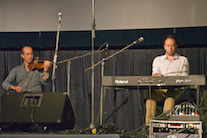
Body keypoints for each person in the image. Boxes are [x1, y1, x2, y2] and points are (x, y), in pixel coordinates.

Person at [145, 35, 189, 127]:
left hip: (176, 89)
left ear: (176, 46)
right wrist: (158, 76)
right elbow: (155, 74)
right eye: (168, 46)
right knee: (150, 96)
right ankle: (148, 126)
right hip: (161, 89)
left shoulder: (183, 60)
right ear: (164, 47)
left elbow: (184, 78)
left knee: (170, 96)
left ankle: (165, 125)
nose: (170, 48)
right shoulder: (158, 60)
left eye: (172, 45)